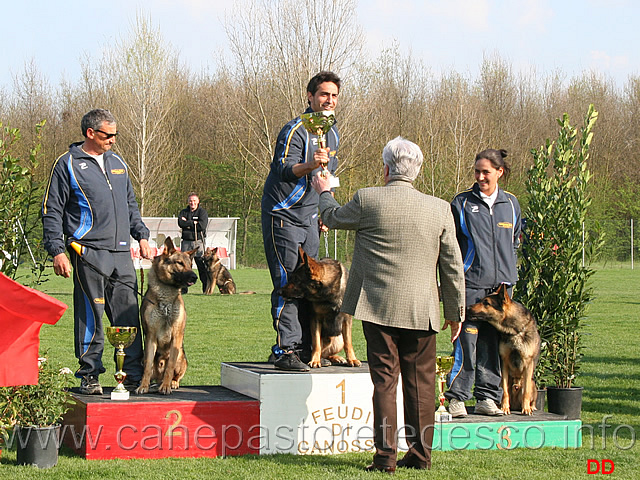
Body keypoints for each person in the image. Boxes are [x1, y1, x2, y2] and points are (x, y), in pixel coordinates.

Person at [312, 137, 466, 472]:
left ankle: (385, 458)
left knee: (385, 380)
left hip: (377, 308)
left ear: (385, 168)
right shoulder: (440, 208)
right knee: (422, 383)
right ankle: (421, 455)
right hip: (422, 310)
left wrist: (324, 188)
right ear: (418, 171)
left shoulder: (368, 199)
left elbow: (331, 217)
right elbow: (452, 266)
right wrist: (455, 314)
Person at [42, 108, 152, 395]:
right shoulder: (67, 164)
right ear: (90, 133)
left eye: (115, 135)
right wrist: (57, 249)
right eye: (108, 135)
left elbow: (131, 204)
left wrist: (140, 236)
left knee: (128, 316)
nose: (113, 140)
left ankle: (133, 373)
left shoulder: (118, 162)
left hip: (121, 254)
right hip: (88, 253)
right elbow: (52, 210)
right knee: (91, 313)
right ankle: (90, 374)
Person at [261, 71, 341, 372]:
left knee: (312, 284)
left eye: (333, 95)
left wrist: (325, 209)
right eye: (323, 94)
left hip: (309, 216)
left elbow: (325, 177)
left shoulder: (332, 132)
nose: (328, 100)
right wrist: (311, 164)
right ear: (310, 96)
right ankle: (285, 349)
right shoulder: (295, 129)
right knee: (288, 282)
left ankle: (310, 347)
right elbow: (282, 169)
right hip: (283, 213)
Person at [445, 148, 522, 417]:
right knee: (466, 343)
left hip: (502, 292)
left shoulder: (511, 204)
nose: (480, 177)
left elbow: (514, 242)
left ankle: (487, 398)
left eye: (486, 172)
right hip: (471, 285)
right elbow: (450, 245)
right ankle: (456, 398)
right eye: (477, 171)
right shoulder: (462, 203)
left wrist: (508, 275)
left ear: (499, 172)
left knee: (493, 344)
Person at [178, 192, 209, 294]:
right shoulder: (183, 212)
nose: (192, 203)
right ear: (188, 202)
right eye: (190, 201)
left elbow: (202, 226)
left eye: (194, 201)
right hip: (186, 242)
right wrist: (193, 223)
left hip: (198, 242)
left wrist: (187, 223)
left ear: (198, 201)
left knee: (202, 266)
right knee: (185, 267)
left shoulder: (202, 212)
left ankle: (206, 289)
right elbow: (180, 223)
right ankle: (183, 289)